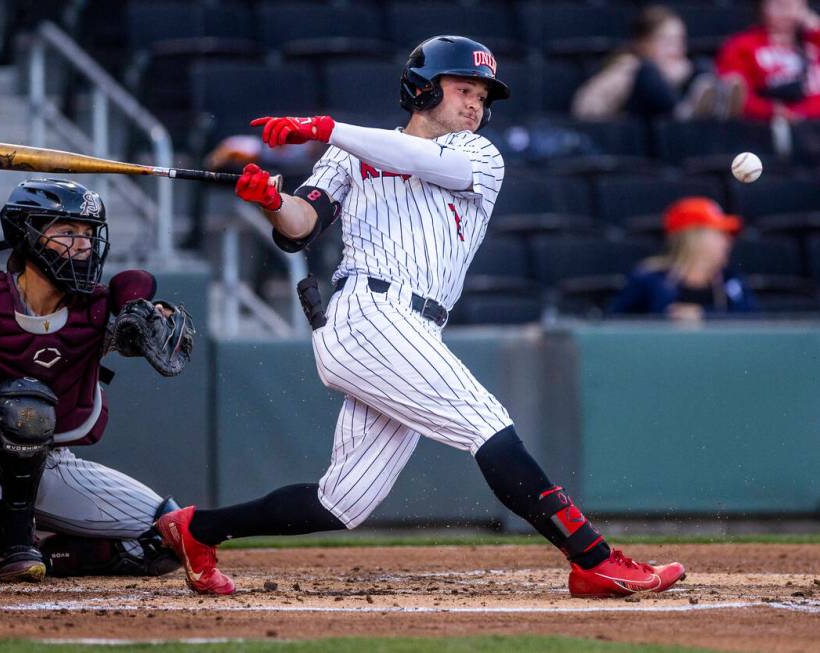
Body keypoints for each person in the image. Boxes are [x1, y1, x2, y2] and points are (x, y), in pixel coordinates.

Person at [156, 35, 686, 599]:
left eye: (482, 96)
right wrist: (269, 200)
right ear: (422, 88)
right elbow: (301, 225)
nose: (475, 105)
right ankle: (593, 560)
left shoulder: (479, 156)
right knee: (485, 423)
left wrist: (323, 127)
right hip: (368, 316)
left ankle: (197, 529)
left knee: (343, 502)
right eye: (463, 89)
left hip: (416, 328)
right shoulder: (350, 153)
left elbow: (418, 159)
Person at [0, 178, 194, 582]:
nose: (83, 245)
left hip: (51, 459)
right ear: (28, 235)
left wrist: (148, 311)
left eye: (89, 234)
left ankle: (25, 548)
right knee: (22, 404)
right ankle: (12, 546)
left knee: (167, 536)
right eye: (68, 232)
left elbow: (135, 284)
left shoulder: (95, 307)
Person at [573, 5, 741, 121]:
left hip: (674, 139)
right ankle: (682, 115)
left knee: (701, 68)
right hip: (635, 132)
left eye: (679, 41)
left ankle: (719, 108)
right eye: (667, 41)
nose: (675, 48)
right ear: (644, 43)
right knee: (648, 73)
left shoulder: (684, 68)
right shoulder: (628, 66)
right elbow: (584, 107)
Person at [610, 197, 757, 319]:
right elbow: (616, 323)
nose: (728, 241)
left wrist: (703, 316)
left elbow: (752, 321)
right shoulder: (650, 279)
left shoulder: (730, 280)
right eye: (719, 233)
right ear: (694, 239)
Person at [716, 0, 820, 121]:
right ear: (763, 7)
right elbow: (736, 96)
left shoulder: (814, 41)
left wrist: (816, 28)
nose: (788, 10)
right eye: (779, 4)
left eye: (795, 4)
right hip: (764, 127)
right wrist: (771, 111)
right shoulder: (742, 46)